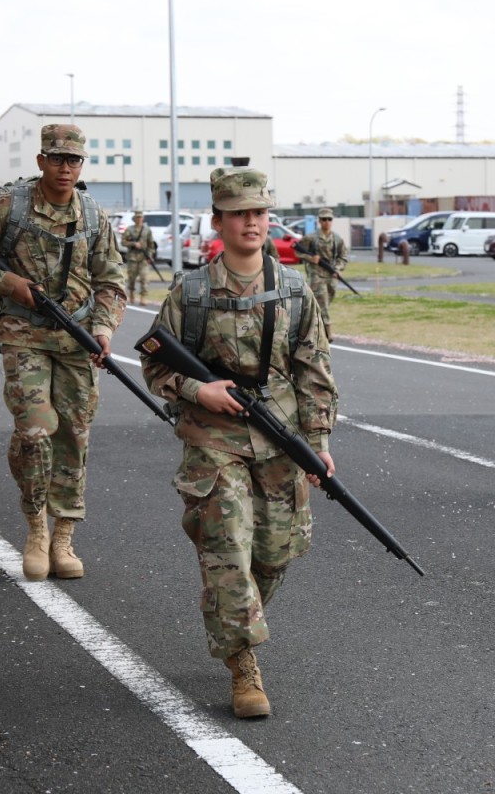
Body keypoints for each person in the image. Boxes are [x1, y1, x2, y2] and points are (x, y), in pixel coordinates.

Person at [141, 167, 337, 719]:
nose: (251, 222)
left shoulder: (296, 291)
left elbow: (315, 372)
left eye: (258, 212)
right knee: (228, 548)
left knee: (274, 556)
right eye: (238, 213)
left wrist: (318, 441)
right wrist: (197, 389)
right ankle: (244, 665)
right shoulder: (193, 292)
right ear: (218, 220)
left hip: (281, 439)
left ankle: (232, 623)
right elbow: (154, 362)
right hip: (213, 440)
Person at [0, 124, 126, 580]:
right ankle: (36, 529)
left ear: (82, 165)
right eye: (57, 158)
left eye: (74, 160)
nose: (65, 168)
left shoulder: (94, 216)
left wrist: (103, 328)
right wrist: (7, 283)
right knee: (36, 432)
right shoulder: (9, 207)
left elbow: (112, 279)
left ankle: (64, 534)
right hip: (24, 333)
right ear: (41, 160)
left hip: (77, 337)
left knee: (74, 436)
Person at [293, 207, 348, 340]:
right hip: (316, 275)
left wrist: (338, 269)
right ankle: (328, 333)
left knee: (324, 304)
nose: (326, 222)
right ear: (319, 221)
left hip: (331, 275)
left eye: (329, 219)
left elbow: (343, 257)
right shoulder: (311, 238)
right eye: (324, 219)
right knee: (322, 304)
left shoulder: (337, 239)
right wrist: (310, 258)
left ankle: (313, 328)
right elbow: (297, 251)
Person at [121, 210, 157, 306]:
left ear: (142, 218)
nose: (139, 219)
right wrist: (133, 244)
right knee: (132, 278)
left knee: (144, 278)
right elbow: (123, 242)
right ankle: (132, 292)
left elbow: (151, 244)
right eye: (137, 217)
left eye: (140, 217)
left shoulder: (147, 230)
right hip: (132, 257)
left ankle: (143, 297)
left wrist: (150, 255)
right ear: (134, 219)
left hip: (143, 258)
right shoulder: (129, 229)